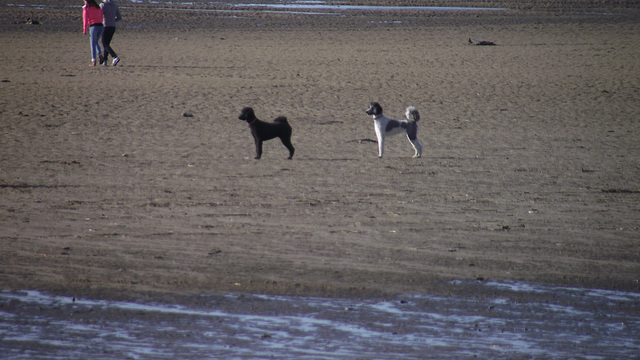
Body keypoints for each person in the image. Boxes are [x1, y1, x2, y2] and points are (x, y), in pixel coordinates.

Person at [83, 0, 104, 66]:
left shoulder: (86, 8)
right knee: (95, 42)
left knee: (92, 43)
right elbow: (101, 16)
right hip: (100, 26)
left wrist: (85, 30)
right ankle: (100, 55)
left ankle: (94, 60)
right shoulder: (98, 7)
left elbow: (85, 19)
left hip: (93, 26)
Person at [100, 0, 122, 67]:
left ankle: (114, 56)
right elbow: (119, 17)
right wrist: (113, 20)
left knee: (104, 43)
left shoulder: (103, 5)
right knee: (107, 44)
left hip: (105, 26)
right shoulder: (115, 5)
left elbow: (99, 15)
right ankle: (105, 61)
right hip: (112, 26)